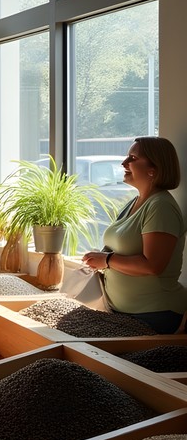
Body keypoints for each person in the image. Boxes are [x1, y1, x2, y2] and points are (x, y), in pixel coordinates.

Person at [81, 137, 187, 334]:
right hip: (122, 313)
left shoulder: (160, 206)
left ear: (153, 168)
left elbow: (153, 265)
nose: (124, 163)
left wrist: (107, 260)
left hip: (155, 314)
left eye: (132, 158)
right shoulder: (134, 203)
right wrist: (100, 258)